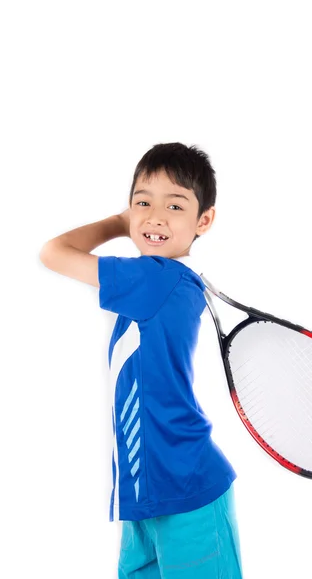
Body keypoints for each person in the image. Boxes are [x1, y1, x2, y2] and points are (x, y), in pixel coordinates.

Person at [39, 142, 244, 578]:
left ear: (203, 221)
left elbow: (54, 252)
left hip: (186, 491)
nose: (154, 216)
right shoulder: (162, 281)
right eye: (143, 202)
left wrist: (119, 221)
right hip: (145, 490)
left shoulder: (153, 278)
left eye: (175, 205)